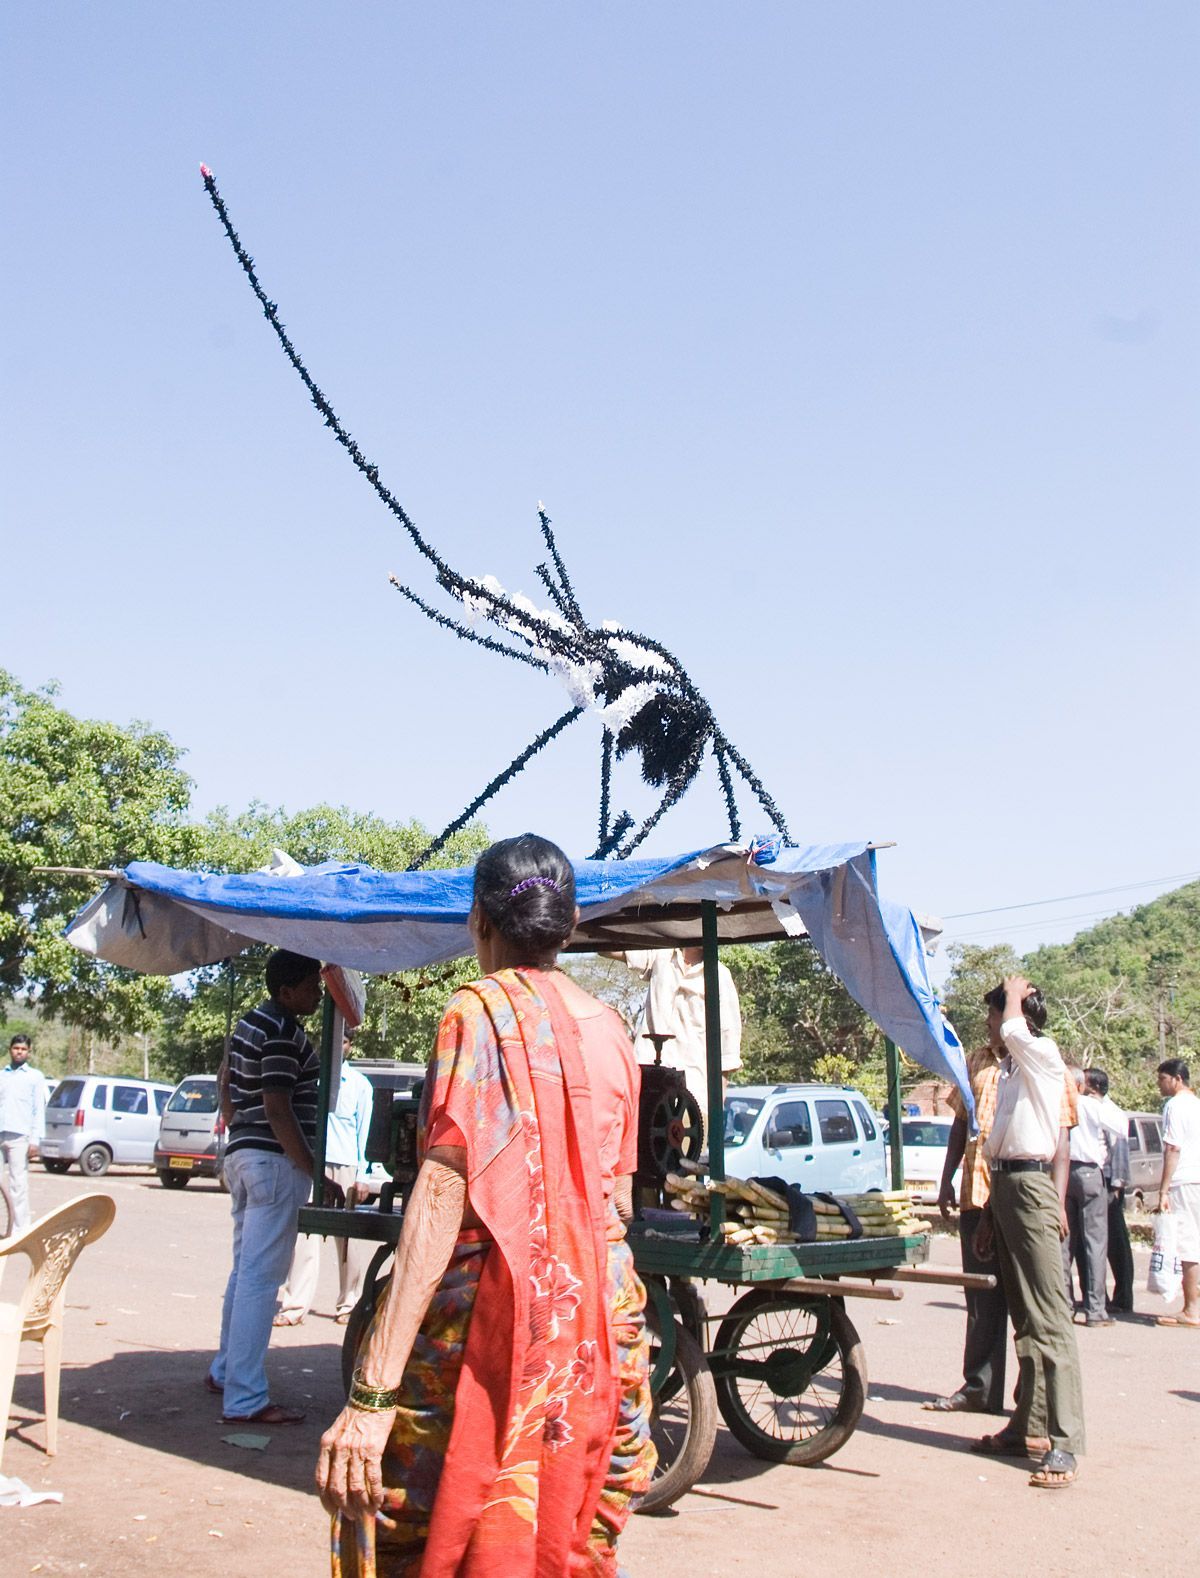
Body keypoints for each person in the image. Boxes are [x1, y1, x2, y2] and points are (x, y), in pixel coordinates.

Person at [316, 834, 656, 1576]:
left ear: (479, 924)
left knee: (415, 1521)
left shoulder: (476, 1014)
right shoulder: (614, 1031)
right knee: (572, 1528)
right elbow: (619, 1202)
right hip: (600, 1333)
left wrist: (371, 1397)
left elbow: (440, 1193)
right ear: (570, 927)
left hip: (485, 1331)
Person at [926, 1016, 1076, 1415]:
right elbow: (961, 1124)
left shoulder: (1043, 1061)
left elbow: (1062, 1143)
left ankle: (1030, 1401)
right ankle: (980, 1386)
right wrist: (947, 1180)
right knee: (981, 1297)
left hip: (1023, 1198)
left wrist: (1058, 1202)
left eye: (995, 1019)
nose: (989, 1027)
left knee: (1030, 1306)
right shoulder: (976, 1060)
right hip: (978, 1194)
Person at [972, 977, 1085, 1490]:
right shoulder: (1013, 1069)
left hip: (1034, 1189)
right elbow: (1000, 1139)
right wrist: (992, 1215)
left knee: (1050, 1320)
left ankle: (1065, 1443)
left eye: (994, 1016)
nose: (992, 1026)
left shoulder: (1040, 1052)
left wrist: (1013, 996)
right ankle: (1028, 1424)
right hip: (1009, 1188)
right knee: (1025, 1316)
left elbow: (1016, 1029)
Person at [206, 950, 324, 1425]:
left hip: (244, 1158)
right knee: (261, 1278)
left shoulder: (250, 1024)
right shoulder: (281, 1032)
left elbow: (225, 1087)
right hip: (273, 1163)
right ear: (287, 992)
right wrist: (312, 1169)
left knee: (245, 1273)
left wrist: (238, 1128)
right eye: (312, 986)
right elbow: (278, 1109)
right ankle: (245, 1397)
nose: (318, 994)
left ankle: (226, 1371)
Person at [275, 1028, 375, 1327]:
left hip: (345, 1164)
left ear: (350, 1046)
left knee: (348, 1239)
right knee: (306, 1236)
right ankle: (295, 1306)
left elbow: (365, 1133)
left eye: (343, 1040)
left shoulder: (359, 1085)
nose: (337, 1045)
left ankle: (349, 1304)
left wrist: (363, 1174)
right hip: (313, 1162)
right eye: (333, 1040)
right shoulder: (310, 1080)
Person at [611, 945, 742, 1109]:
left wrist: (716, 1101)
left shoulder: (720, 975)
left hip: (692, 1094)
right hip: (646, 1084)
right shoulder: (661, 956)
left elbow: (728, 1045)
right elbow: (608, 949)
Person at [1061, 1065, 1125, 1326]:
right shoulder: (1089, 1105)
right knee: (1094, 1242)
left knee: (1063, 1243)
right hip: (1089, 1173)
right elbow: (1121, 1125)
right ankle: (1095, 1309)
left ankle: (1064, 1306)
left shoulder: (1058, 1102)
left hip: (1062, 1173)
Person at [1153, 1057, 1200, 1329]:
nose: (1160, 1085)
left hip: (1185, 1179)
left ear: (1177, 1079)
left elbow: (1173, 1148)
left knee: (1187, 1243)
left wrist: (1163, 1189)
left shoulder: (1175, 1106)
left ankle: (1191, 1308)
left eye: (1162, 1079)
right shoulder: (1196, 1105)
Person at [1086, 1068, 1134, 1315]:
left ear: (1092, 1086)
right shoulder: (1088, 1108)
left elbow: (1120, 1151)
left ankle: (1123, 1295)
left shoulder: (1111, 1113)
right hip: (1093, 1179)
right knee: (1094, 1239)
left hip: (1108, 1181)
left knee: (1115, 1240)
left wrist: (1117, 1184)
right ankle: (1096, 1296)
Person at [0, 1034, 49, 1235]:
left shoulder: (35, 1077)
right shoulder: (2, 1075)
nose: (19, 1052)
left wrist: (35, 1140)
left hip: (20, 1137)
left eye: (23, 1049)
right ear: (10, 1049)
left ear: (28, 1052)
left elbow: (38, 1109)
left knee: (18, 1183)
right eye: (16, 1048)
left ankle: (20, 1231)